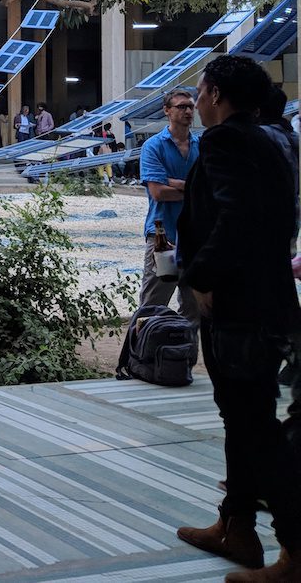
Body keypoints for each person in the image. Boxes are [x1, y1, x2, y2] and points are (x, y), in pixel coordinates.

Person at [176, 56, 301, 580]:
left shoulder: (225, 141)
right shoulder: (273, 139)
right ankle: (237, 526)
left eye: (200, 91)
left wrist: (202, 275)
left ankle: (294, 552)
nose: (196, 100)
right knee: (244, 419)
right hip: (267, 299)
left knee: (255, 427)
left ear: (216, 95)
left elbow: (237, 217)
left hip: (237, 305)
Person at [138, 88, 202, 327]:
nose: (188, 111)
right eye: (181, 106)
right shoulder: (153, 146)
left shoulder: (202, 145)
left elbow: (209, 188)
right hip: (163, 238)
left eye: (191, 106)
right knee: (153, 307)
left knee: (194, 310)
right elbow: (158, 193)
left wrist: (171, 181)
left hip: (195, 239)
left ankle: (186, 351)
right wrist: (194, 189)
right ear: (167, 111)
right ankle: (144, 351)